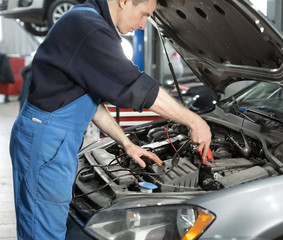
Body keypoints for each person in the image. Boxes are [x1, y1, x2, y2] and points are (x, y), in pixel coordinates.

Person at [9, 0, 212, 239]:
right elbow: (137, 87)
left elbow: (90, 103)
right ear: (125, 1)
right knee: (42, 232)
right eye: (144, 14)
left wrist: (126, 143)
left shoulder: (89, 22)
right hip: (46, 139)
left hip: (53, 136)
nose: (143, 25)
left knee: (50, 223)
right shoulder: (88, 27)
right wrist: (194, 120)